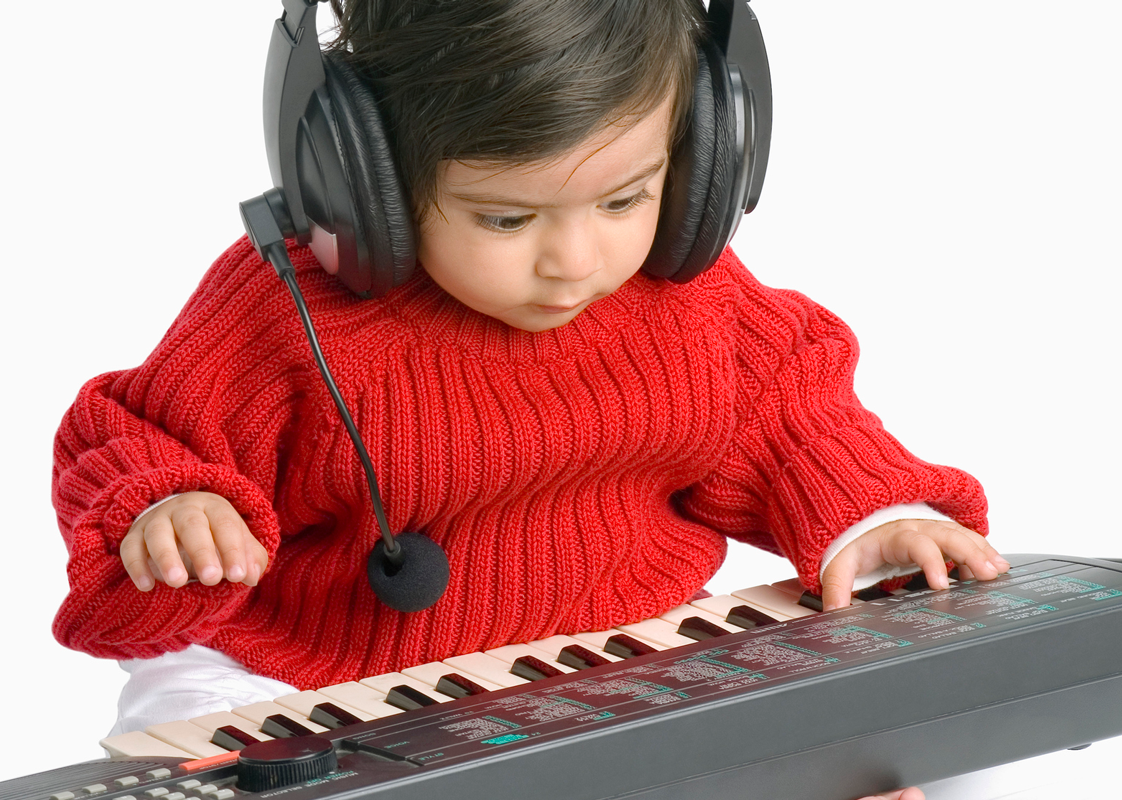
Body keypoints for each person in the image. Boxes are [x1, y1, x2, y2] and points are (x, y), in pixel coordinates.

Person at [51, 2, 1005, 798]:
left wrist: (873, 517)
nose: (575, 261)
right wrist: (173, 504)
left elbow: (787, 416)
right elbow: (135, 435)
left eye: (625, 200)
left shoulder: (687, 297)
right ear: (359, 183)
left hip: (625, 652)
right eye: (506, 218)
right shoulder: (285, 310)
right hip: (311, 673)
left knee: (911, 750)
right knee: (189, 741)